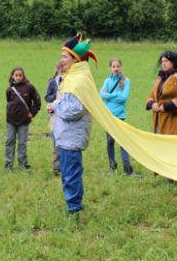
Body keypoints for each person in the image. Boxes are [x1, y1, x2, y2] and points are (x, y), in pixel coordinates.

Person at [47, 34, 96, 215]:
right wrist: (57, 105)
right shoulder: (72, 77)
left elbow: (74, 110)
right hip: (65, 135)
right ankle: (73, 205)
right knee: (68, 172)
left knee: (71, 174)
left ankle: (74, 209)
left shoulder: (79, 81)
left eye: (65, 56)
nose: (62, 60)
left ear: (75, 59)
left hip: (71, 136)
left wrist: (56, 105)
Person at [146, 51, 177, 184]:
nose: (163, 63)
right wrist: (152, 104)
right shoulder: (160, 77)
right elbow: (152, 94)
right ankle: (169, 176)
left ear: (173, 62)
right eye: (162, 61)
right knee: (164, 147)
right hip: (160, 119)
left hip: (175, 118)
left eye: (166, 61)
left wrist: (166, 106)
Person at [100, 58, 138, 176]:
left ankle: (127, 168)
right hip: (108, 116)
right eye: (113, 66)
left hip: (120, 116)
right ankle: (112, 167)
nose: (116, 68)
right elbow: (101, 95)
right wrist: (116, 94)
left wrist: (110, 95)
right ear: (110, 68)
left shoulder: (126, 81)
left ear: (121, 67)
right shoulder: (107, 81)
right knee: (110, 142)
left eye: (118, 66)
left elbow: (123, 98)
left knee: (123, 142)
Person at [5, 67, 41, 171]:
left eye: (20, 75)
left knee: (22, 143)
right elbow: (8, 100)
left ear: (23, 76)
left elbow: (37, 101)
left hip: (24, 121)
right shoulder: (9, 89)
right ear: (12, 76)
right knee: (9, 141)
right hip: (11, 120)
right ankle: (8, 164)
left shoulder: (29, 87)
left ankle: (23, 164)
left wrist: (32, 113)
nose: (18, 77)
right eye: (16, 75)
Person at [44, 61, 66, 175]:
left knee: (66, 141)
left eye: (63, 66)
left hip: (66, 113)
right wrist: (56, 95)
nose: (62, 69)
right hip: (55, 114)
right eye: (60, 67)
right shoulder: (52, 82)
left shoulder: (69, 80)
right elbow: (47, 97)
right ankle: (56, 167)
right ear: (57, 69)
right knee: (56, 142)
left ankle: (65, 165)